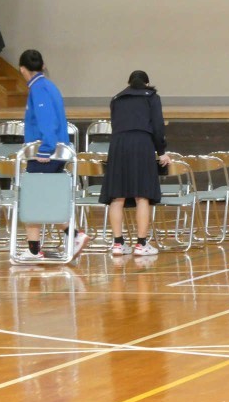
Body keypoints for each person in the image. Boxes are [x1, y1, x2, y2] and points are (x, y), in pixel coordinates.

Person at [18, 49, 89, 260]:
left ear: (22, 69)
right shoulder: (48, 86)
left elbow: (48, 121)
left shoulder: (39, 88)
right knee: (43, 197)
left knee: (32, 197)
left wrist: (45, 149)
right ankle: (37, 248)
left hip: (47, 152)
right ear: (43, 65)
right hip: (55, 151)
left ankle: (72, 235)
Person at [99, 70, 171, 256]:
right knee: (142, 195)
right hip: (142, 143)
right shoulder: (151, 97)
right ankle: (141, 244)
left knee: (117, 196)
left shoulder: (117, 99)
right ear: (147, 83)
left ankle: (117, 244)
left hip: (118, 145)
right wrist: (161, 151)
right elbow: (158, 126)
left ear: (128, 83)